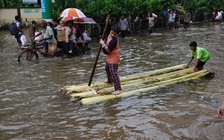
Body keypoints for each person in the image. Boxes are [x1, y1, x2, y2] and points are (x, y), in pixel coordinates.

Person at [99, 26, 122, 95]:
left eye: (114, 34)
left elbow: (108, 50)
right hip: (109, 57)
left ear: (117, 34)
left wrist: (103, 44)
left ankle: (118, 89)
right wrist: (107, 22)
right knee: (107, 69)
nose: (112, 35)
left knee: (113, 73)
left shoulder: (114, 40)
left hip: (113, 57)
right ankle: (110, 80)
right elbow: (108, 27)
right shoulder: (110, 35)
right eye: (111, 33)